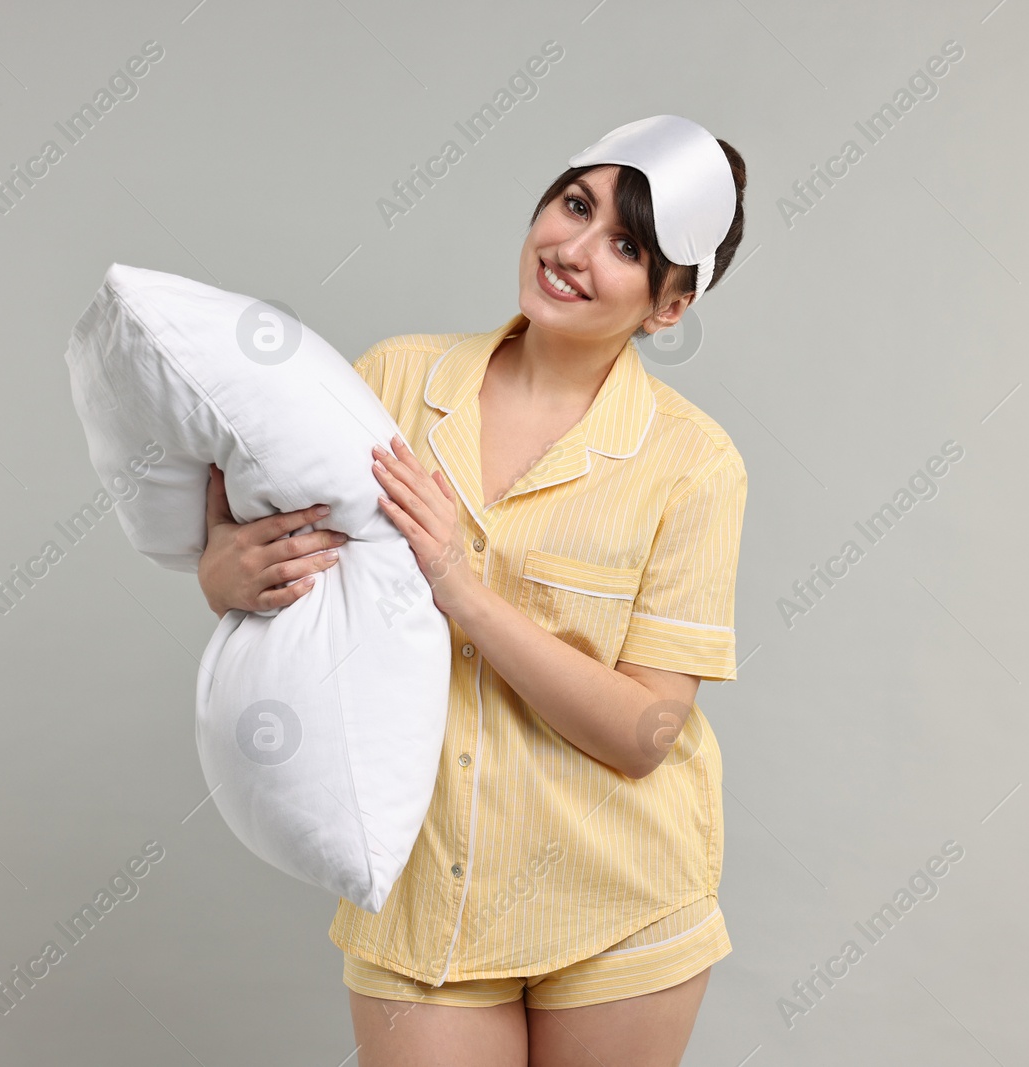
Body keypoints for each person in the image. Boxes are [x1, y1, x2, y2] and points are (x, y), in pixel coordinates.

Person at [197, 115, 749, 1067]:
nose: (573, 249)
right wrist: (225, 571)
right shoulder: (395, 381)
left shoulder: (693, 465)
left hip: (618, 900)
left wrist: (463, 585)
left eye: (626, 245)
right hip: (425, 891)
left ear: (669, 306)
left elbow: (647, 732)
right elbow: (264, 563)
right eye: (574, 205)